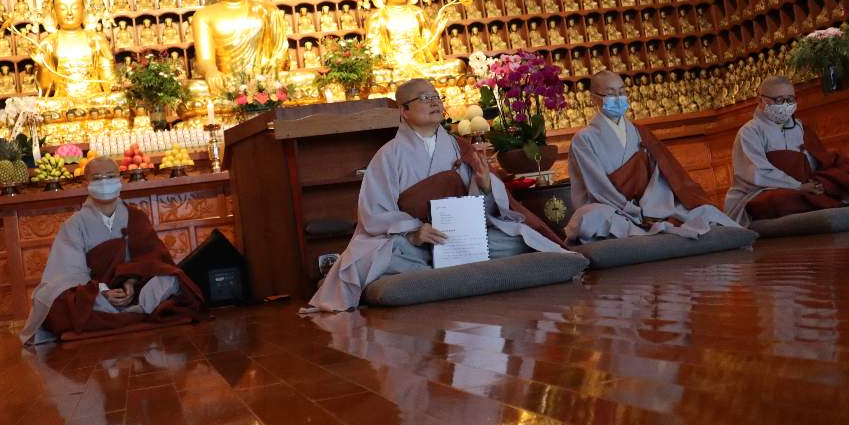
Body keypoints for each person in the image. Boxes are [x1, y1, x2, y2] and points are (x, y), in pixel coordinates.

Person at [304, 78, 570, 313]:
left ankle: (440, 267)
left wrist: (485, 185)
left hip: (458, 238)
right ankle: (447, 264)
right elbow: (374, 213)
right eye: (424, 98)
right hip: (416, 244)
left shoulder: (459, 148)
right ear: (404, 111)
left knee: (517, 239)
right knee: (381, 256)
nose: (434, 102)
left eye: (436, 97)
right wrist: (414, 231)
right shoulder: (388, 156)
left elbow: (485, 209)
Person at [19, 157, 203, 344]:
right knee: (55, 300)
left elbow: (154, 260)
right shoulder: (75, 224)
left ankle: (131, 312)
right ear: (86, 183)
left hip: (137, 290)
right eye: (97, 178)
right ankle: (136, 313)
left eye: (110, 176)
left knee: (171, 278)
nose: (104, 182)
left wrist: (131, 282)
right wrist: (102, 291)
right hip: (98, 297)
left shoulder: (136, 216)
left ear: (120, 180)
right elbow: (69, 273)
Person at [566, 70, 739, 243]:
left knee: (705, 211)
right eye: (611, 94)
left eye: (622, 92)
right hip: (612, 208)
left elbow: (657, 177)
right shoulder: (584, 139)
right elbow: (598, 188)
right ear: (594, 99)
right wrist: (630, 210)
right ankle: (644, 226)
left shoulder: (638, 132)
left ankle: (648, 224)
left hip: (647, 206)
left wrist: (649, 207)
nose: (618, 99)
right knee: (591, 217)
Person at [725, 75, 849, 225]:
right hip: (761, 191)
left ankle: (839, 198)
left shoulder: (799, 128)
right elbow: (757, 174)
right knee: (779, 200)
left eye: (790, 100)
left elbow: (819, 161)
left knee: (846, 178)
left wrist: (815, 183)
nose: (785, 105)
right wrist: (798, 186)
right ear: (761, 101)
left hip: (804, 185)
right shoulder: (750, 132)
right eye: (779, 100)